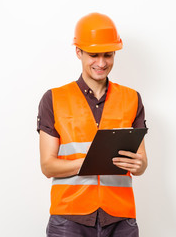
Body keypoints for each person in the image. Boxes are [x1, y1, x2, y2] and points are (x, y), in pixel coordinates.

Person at [37, 13, 148, 237]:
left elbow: (142, 163)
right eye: (93, 55)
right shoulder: (54, 99)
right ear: (78, 51)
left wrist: (140, 166)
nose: (101, 63)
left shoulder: (132, 99)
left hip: (120, 218)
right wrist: (91, 161)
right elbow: (47, 166)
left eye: (108, 55)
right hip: (69, 219)